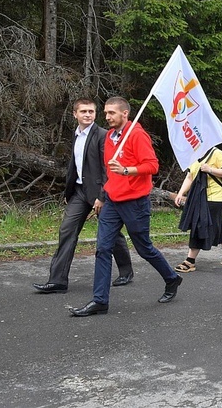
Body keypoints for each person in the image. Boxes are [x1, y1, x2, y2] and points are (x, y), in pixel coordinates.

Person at [69, 97, 182, 317]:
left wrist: (127, 170)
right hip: (112, 200)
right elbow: (109, 172)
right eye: (106, 113)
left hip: (135, 202)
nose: (107, 117)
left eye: (112, 113)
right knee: (102, 248)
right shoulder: (110, 136)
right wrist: (103, 196)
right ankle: (100, 300)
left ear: (125, 114)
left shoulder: (137, 135)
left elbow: (152, 166)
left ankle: (171, 278)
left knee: (144, 248)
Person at [33, 98, 134, 294]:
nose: (88, 115)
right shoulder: (76, 135)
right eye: (83, 111)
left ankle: (126, 271)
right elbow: (75, 165)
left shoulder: (103, 136)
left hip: (100, 192)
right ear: (75, 114)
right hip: (79, 192)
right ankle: (58, 281)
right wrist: (68, 192)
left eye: (91, 111)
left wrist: (103, 196)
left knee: (111, 233)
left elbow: (108, 169)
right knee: (67, 230)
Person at [173, 146, 222, 272]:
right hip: (200, 196)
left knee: (199, 224)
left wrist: (210, 169)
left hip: (216, 197)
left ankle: (190, 261)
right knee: (215, 224)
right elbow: (189, 176)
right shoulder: (193, 155)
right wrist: (181, 193)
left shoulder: (217, 153)